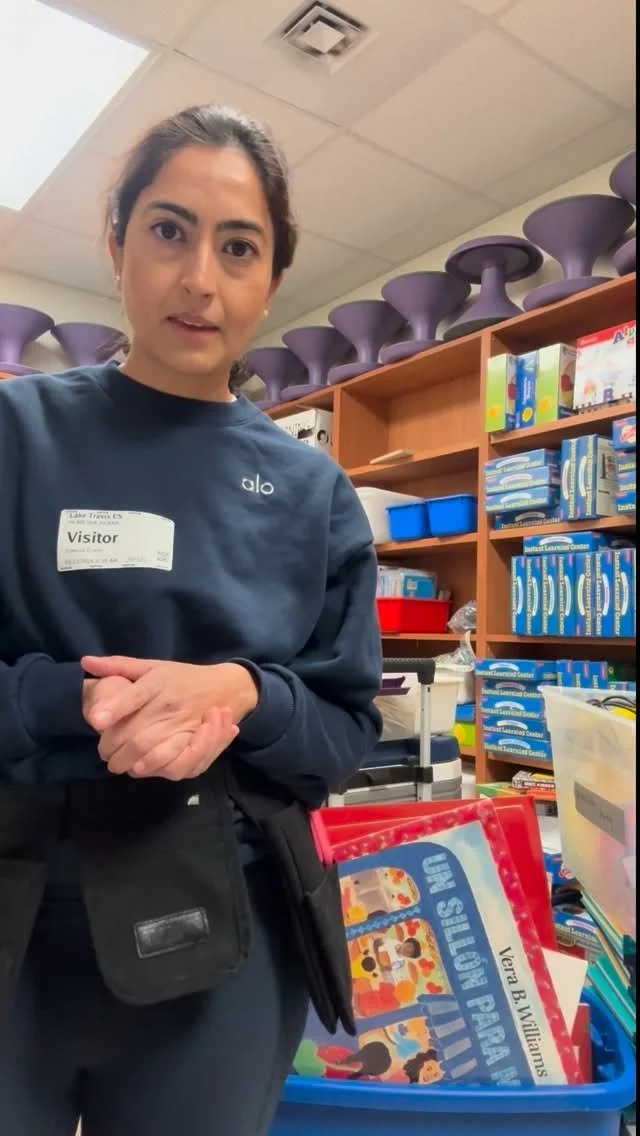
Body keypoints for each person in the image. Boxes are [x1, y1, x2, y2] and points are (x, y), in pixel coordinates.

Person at [0, 104, 383, 1136]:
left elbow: (343, 730)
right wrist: (72, 699)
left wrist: (244, 694)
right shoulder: (16, 435)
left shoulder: (311, 491)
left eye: (239, 247)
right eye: (169, 230)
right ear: (116, 242)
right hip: (17, 899)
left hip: (225, 933)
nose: (200, 278)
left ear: (272, 278)